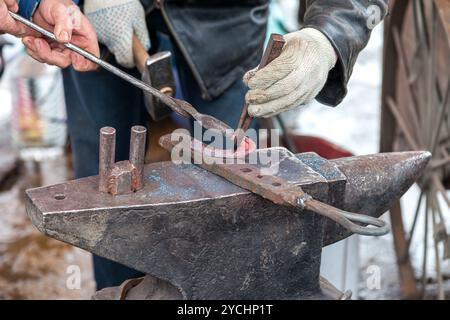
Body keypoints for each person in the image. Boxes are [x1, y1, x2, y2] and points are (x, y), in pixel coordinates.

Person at [12, 0, 388, 290]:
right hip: (96, 17)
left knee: (232, 216)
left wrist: (328, 36)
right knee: (106, 203)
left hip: (224, 30)